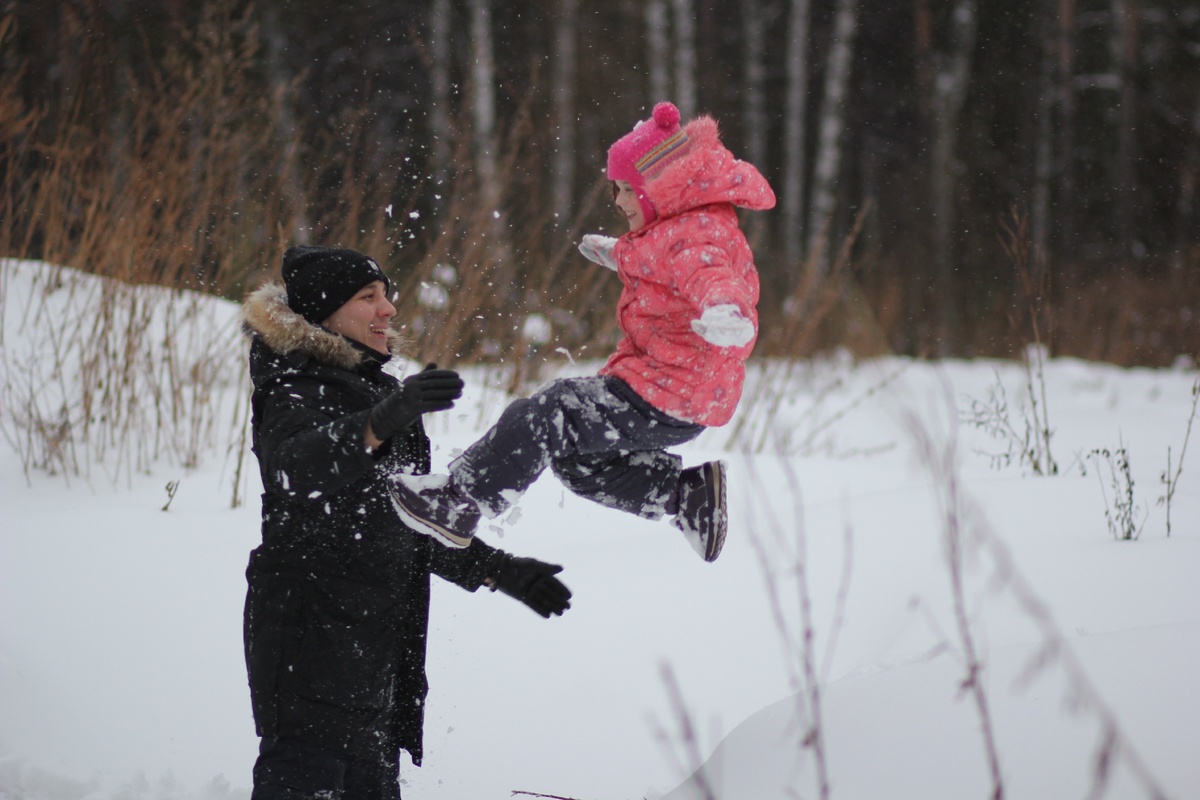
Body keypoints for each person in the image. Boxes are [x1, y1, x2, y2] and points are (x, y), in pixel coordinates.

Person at [240, 244, 572, 800]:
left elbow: (404, 519)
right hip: (309, 645)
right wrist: (379, 423)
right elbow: (294, 471)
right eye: (368, 297)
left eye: (387, 294)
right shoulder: (293, 386)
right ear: (324, 313)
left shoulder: (377, 389)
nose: (389, 309)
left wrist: (499, 570)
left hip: (379, 652)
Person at [389, 101, 776, 563]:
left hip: (673, 388)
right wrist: (620, 255)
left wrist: (726, 311)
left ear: (658, 186)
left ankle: (460, 501)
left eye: (625, 189)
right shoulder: (678, 227)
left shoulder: (696, 234)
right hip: (678, 390)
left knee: (553, 410)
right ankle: (685, 496)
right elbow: (668, 265)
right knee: (576, 461)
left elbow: (711, 274)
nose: (618, 201)